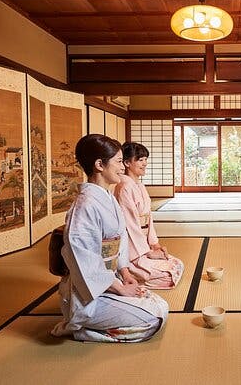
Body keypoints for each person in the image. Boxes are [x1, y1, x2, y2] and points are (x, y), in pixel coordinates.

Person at [51, 134, 168, 342]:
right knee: (154, 318)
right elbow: (85, 262)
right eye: (117, 162)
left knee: (160, 305)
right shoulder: (85, 206)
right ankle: (81, 329)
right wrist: (120, 288)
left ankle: (109, 311)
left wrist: (125, 272)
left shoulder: (107, 197)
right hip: (89, 294)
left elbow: (120, 241)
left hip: (110, 281)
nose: (123, 167)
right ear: (99, 165)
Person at [114, 142, 184, 289]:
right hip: (133, 250)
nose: (145, 163)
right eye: (140, 160)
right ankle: (126, 273)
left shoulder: (138, 185)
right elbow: (130, 226)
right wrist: (147, 252)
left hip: (144, 245)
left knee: (177, 264)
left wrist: (155, 245)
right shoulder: (124, 187)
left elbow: (148, 219)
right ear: (127, 163)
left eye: (146, 159)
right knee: (167, 276)